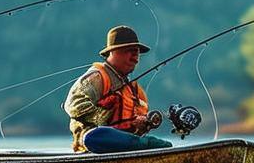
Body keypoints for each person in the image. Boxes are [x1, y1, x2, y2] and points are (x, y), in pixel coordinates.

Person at [63, 25, 172, 153]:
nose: (135, 57)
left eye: (137, 52)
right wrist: (103, 117)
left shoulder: (135, 89)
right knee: (92, 137)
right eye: (130, 51)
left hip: (123, 145)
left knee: (163, 144)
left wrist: (140, 124)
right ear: (113, 51)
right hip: (94, 143)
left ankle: (145, 145)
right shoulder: (96, 77)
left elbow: (131, 126)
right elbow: (72, 106)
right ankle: (146, 145)